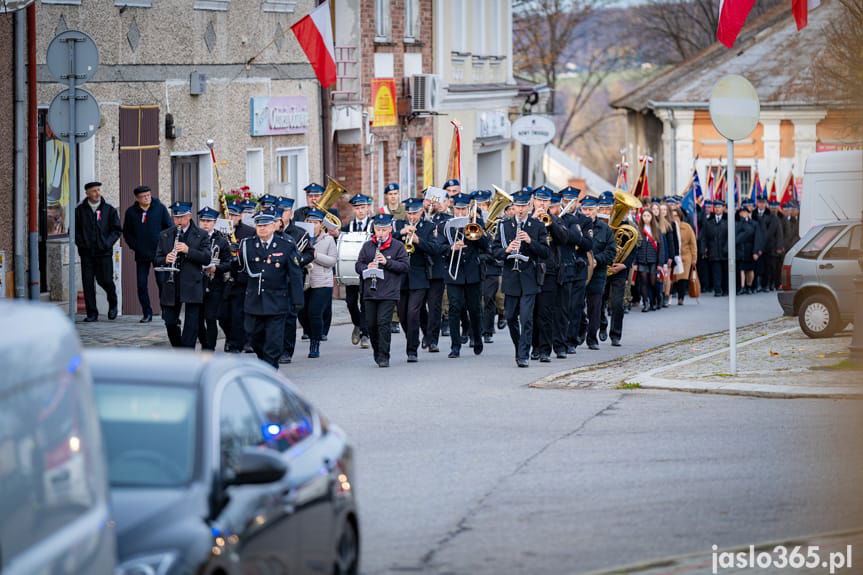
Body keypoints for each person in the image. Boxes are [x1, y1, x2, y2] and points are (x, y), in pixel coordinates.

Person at [236, 209, 304, 368]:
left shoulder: (286, 246)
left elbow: (295, 275)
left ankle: (270, 368)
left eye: (265, 225)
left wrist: (297, 300)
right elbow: (240, 270)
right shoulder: (247, 245)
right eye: (259, 225)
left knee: (274, 340)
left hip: (276, 301)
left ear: (274, 226)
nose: (262, 228)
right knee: (253, 336)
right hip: (254, 301)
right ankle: (265, 361)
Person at [492, 189, 549, 367]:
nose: (521, 209)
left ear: (529, 206)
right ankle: (519, 347)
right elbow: (495, 251)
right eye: (518, 206)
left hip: (529, 278)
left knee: (526, 318)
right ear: (513, 207)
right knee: (510, 318)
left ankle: (524, 354)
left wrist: (531, 242)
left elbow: (545, 252)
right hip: (511, 278)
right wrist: (507, 250)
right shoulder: (504, 225)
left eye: (524, 206)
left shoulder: (537, 225)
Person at [355, 213, 410, 367]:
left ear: (390, 229)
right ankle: (377, 351)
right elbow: (358, 265)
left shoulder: (398, 246)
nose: (380, 233)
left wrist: (387, 262)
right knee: (371, 325)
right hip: (370, 292)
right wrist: (367, 267)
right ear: (374, 229)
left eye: (384, 230)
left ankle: (384, 355)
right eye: (378, 230)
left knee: (383, 323)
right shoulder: (367, 246)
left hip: (389, 292)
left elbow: (405, 266)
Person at [395, 197, 445, 362]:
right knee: (402, 315)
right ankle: (415, 337)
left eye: (415, 213)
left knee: (413, 313)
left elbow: (435, 248)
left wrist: (418, 241)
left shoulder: (429, 227)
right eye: (409, 213)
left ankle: (412, 350)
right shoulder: (399, 225)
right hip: (401, 276)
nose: (412, 217)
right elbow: (388, 241)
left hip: (419, 275)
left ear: (421, 211)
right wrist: (401, 233)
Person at [154, 201, 210, 348]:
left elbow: (206, 258)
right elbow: (157, 258)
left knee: (191, 324)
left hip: (192, 283)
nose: (178, 220)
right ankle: (179, 350)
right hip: (172, 284)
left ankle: (187, 354)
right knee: (170, 322)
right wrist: (165, 259)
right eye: (176, 217)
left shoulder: (201, 234)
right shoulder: (165, 234)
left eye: (182, 217)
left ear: (189, 216)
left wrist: (188, 250)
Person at [443, 192, 489, 358]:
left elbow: (486, 245)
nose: (461, 212)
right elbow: (438, 247)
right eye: (458, 209)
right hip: (453, 273)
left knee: (474, 309)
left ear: (468, 209)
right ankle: (455, 346)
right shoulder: (446, 225)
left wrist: (476, 231)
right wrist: (451, 248)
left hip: (472, 272)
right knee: (454, 308)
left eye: (464, 209)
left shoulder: (476, 223)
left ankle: (476, 338)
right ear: (453, 209)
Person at [530, 186, 569, 362]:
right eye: (539, 200)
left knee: (546, 312)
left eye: (545, 201)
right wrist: (533, 220)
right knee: (532, 312)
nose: (542, 203)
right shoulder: (527, 219)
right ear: (533, 200)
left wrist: (551, 222)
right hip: (530, 269)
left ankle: (545, 349)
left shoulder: (556, 220)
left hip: (549, 271)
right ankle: (535, 346)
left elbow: (564, 239)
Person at [122, 185, 172, 322]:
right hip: (141, 254)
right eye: (143, 196)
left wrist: (164, 246)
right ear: (137, 198)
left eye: (148, 195)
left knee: (161, 282)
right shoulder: (131, 212)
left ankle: (166, 311)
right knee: (141, 284)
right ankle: (147, 313)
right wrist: (135, 246)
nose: (147, 198)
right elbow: (127, 233)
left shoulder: (159, 208)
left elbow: (169, 228)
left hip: (159, 254)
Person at [75, 181, 122, 322]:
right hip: (87, 253)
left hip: (104, 253)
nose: (97, 193)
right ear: (87, 193)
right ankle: (92, 313)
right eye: (94, 191)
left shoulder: (109, 210)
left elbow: (116, 230)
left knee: (106, 280)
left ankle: (113, 303)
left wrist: (107, 243)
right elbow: (74, 231)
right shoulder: (80, 211)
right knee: (88, 283)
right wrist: (82, 244)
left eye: (98, 190)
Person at [277, 198, 316, 363]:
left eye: (284, 211)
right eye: (279, 211)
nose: (281, 215)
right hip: (274, 280)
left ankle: (287, 351)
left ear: (291, 213)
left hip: (292, 279)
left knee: (289, 316)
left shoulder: (300, 233)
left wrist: (298, 261)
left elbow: (310, 253)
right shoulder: (270, 232)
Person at [300, 209, 337, 359]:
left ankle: (315, 343)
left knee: (314, 313)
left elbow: (332, 261)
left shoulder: (328, 239)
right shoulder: (301, 237)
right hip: (304, 281)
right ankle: (310, 333)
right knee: (302, 314)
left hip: (322, 282)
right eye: (309, 222)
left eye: (315, 222)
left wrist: (315, 255)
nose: (312, 225)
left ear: (321, 224)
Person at [219, 201, 256, 353]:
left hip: (239, 279)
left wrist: (238, 252)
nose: (231, 218)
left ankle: (239, 342)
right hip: (222, 278)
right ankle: (230, 337)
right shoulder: (219, 231)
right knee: (222, 315)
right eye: (228, 215)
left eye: (234, 215)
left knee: (238, 314)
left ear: (240, 216)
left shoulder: (249, 231)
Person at [196, 207, 233, 351]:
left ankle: (209, 349)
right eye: (203, 221)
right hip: (197, 284)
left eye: (209, 221)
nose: (205, 224)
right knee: (197, 320)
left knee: (211, 318)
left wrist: (216, 268)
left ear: (214, 222)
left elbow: (229, 263)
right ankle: (204, 343)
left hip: (214, 284)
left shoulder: (221, 241)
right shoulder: (195, 237)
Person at [562, 187, 593, 354]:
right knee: (562, 306)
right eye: (566, 201)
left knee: (575, 306)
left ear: (576, 203)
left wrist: (575, 237)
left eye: (572, 201)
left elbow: (588, 244)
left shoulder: (585, 220)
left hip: (579, 266)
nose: (569, 204)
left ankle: (571, 340)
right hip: (563, 266)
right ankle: (560, 338)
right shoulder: (558, 218)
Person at [583, 196, 616, 349]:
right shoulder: (576, 226)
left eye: (590, 209)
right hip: (579, 272)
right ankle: (580, 330)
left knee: (595, 307)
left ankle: (592, 338)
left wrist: (597, 260)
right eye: (584, 209)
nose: (587, 212)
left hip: (597, 273)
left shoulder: (605, 229)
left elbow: (611, 252)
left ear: (596, 210)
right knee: (576, 305)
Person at [341, 194, 373, 349]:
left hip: (368, 268)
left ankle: (365, 334)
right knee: (350, 302)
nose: (360, 211)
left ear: (368, 208)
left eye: (363, 207)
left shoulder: (374, 226)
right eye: (357, 208)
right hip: (351, 268)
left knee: (365, 301)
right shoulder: (348, 227)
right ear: (353, 209)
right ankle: (358, 323)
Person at [423, 191, 452, 353]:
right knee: (417, 306)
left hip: (437, 267)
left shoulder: (447, 221)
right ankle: (425, 332)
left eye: (436, 200)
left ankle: (432, 340)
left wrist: (433, 237)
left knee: (434, 307)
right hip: (419, 268)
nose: (432, 203)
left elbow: (445, 244)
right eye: (429, 200)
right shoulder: (418, 218)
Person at [752, 195, 783, 292]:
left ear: (766, 204)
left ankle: (768, 284)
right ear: (757, 203)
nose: (761, 204)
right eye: (759, 202)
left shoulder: (771, 215)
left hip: (769, 245)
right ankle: (757, 285)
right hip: (756, 244)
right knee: (757, 266)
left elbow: (778, 232)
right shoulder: (753, 214)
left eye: (763, 203)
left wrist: (779, 246)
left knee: (769, 267)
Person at [671, 206, 698, 305]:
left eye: (676, 216)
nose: (674, 218)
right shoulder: (669, 226)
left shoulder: (687, 227)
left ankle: (681, 297)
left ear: (680, 216)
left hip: (686, 256)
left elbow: (693, 243)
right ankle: (671, 294)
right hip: (674, 256)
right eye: (672, 216)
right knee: (674, 278)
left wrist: (694, 258)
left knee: (682, 278)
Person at [703, 199, 729, 297]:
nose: (717, 209)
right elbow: (704, 237)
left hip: (724, 251)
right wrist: (704, 248)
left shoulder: (727, 221)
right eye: (716, 207)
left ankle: (725, 289)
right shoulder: (709, 222)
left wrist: (726, 248)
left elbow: (730, 237)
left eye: (719, 207)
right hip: (714, 251)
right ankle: (717, 290)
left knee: (725, 272)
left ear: (723, 208)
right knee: (716, 272)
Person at [735, 206, 763, 294]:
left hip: (750, 249)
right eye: (741, 212)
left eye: (745, 212)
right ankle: (742, 287)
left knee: (750, 269)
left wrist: (756, 251)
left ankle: (749, 286)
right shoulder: (737, 223)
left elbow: (757, 238)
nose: (743, 214)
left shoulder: (754, 224)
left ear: (748, 213)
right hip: (740, 249)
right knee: (741, 269)